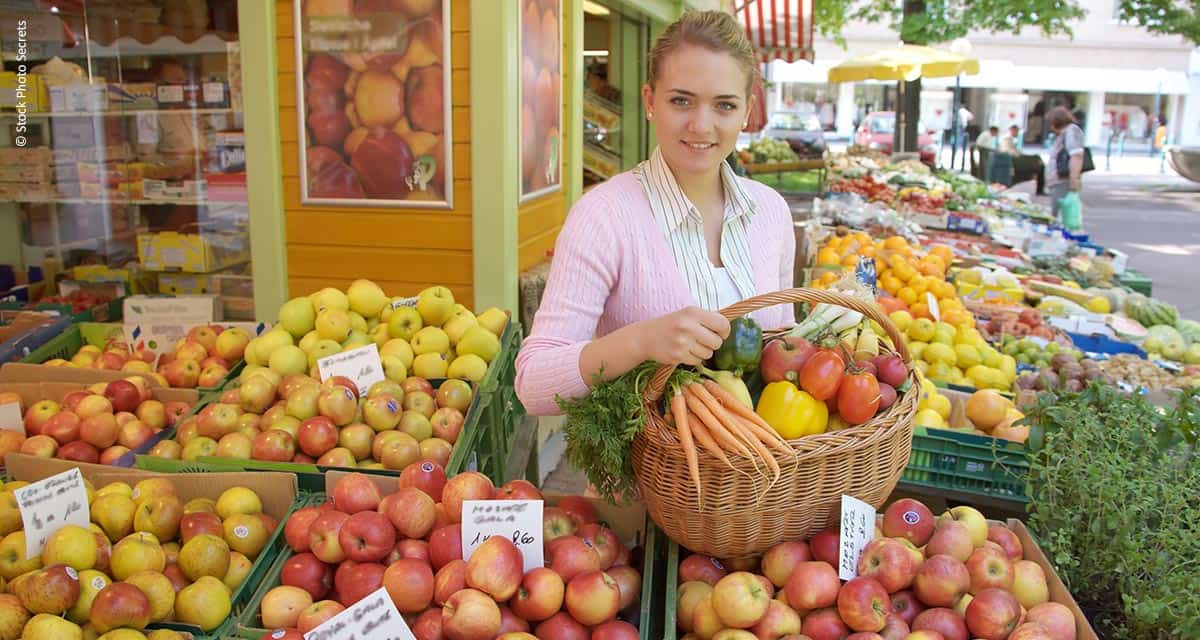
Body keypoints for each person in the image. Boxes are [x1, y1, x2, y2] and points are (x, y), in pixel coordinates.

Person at [514, 10, 795, 417]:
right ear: (650, 101)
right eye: (681, 100)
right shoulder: (604, 216)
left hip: (763, 476)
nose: (701, 125)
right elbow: (533, 384)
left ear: (747, 111)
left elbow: (783, 353)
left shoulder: (772, 212)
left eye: (724, 105)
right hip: (645, 478)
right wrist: (641, 342)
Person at [1045, 106, 1085, 220]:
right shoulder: (1065, 133)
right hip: (1058, 181)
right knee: (1057, 214)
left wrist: (1074, 179)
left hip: (1063, 181)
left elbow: (1076, 155)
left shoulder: (1072, 131)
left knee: (1061, 216)